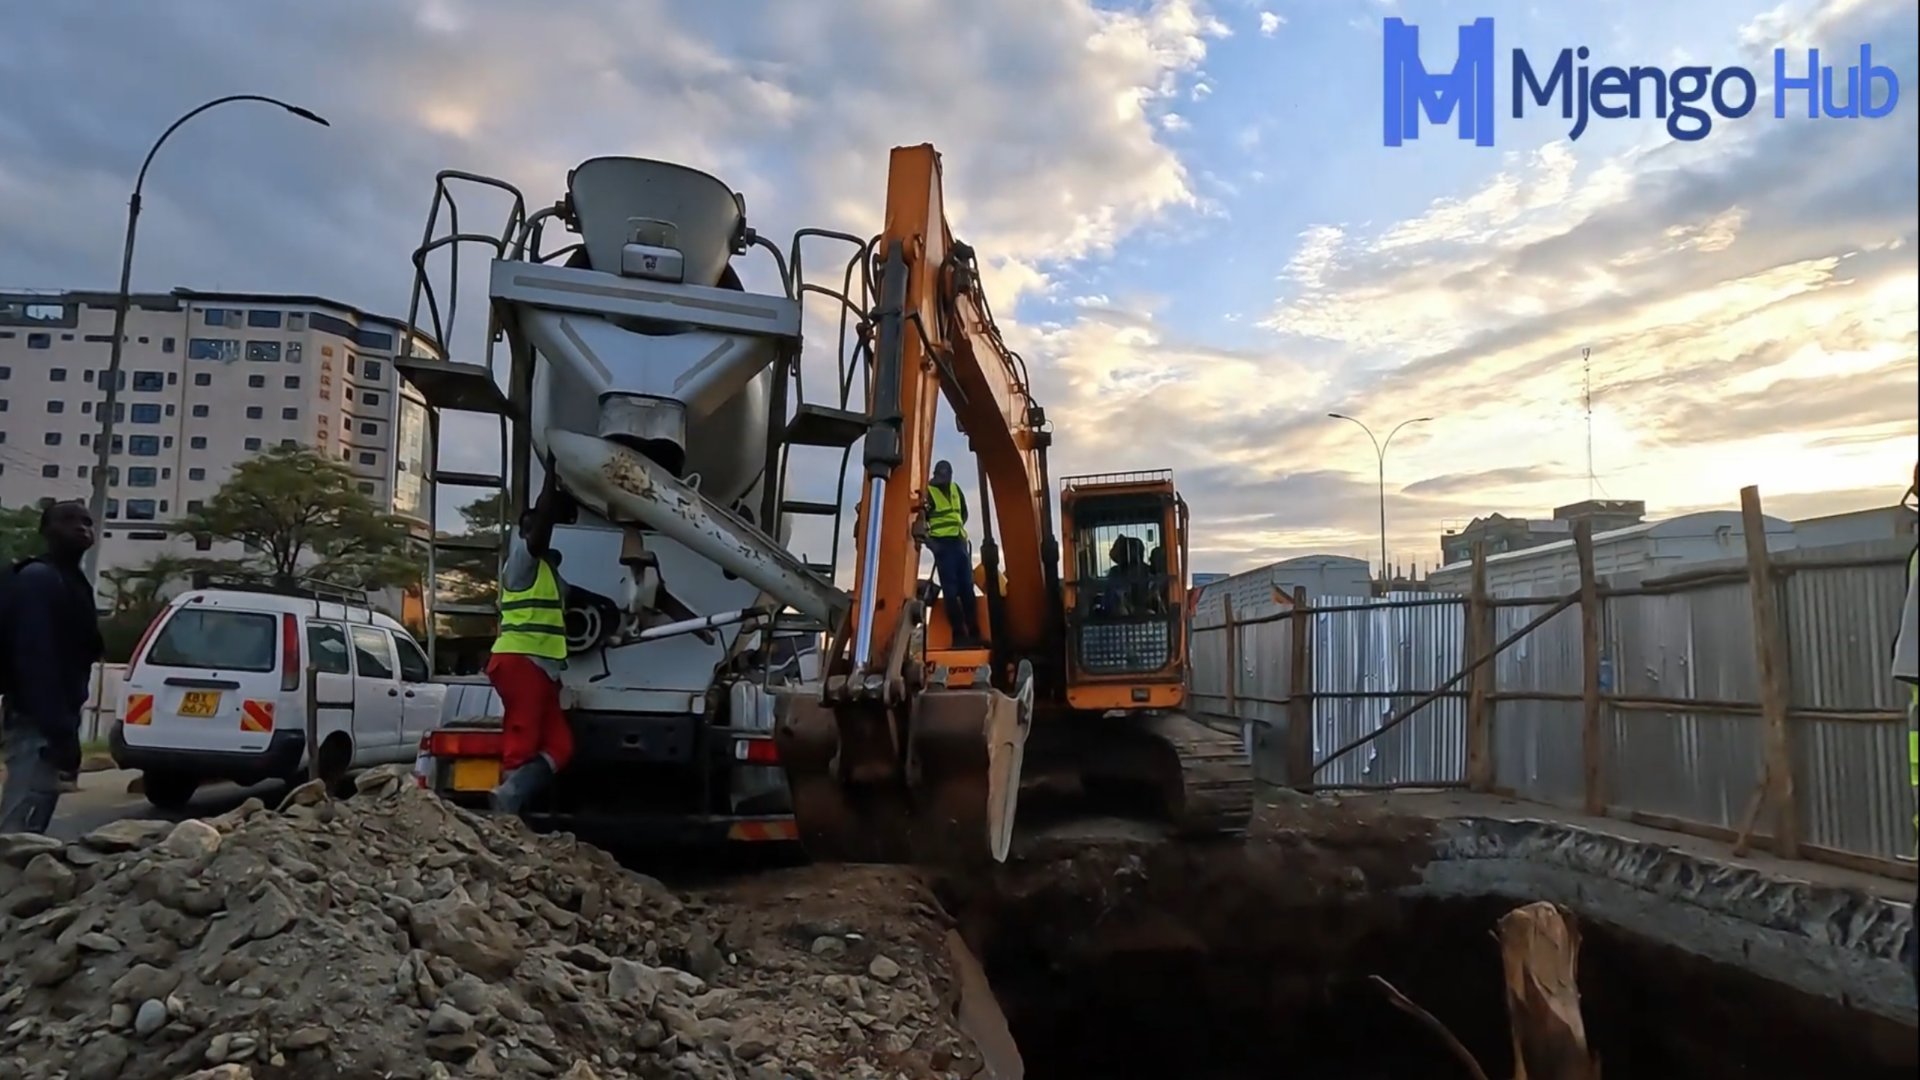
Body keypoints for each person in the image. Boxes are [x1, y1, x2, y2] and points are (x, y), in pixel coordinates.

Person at [0, 501, 104, 833]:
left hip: (53, 719)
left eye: (87, 522)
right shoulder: (38, 579)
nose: (81, 527)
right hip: (35, 720)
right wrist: (59, 731)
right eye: (68, 520)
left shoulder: (71, 581)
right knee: (19, 827)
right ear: (46, 531)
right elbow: (35, 658)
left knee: (35, 817)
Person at [486, 470, 576, 813]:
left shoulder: (547, 574)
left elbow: (572, 595)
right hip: (522, 661)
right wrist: (550, 477)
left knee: (560, 745)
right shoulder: (521, 562)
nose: (537, 531)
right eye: (532, 527)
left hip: (543, 669)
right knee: (521, 740)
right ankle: (507, 810)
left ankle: (512, 793)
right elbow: (539, 534)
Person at [923, 460, 983, 646]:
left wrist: (958, 530)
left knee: (967, 588)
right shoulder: (928, 492)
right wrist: (933, 545)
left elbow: (963, 513)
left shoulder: (955, 488)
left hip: (959, 543)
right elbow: (920, 522)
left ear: (950, 476)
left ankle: (973, 632)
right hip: (944, 546)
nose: (943, 481)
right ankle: (958, 634)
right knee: (951, 591)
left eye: (945, 478)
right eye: (939, 477)